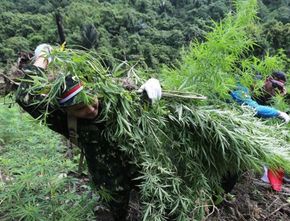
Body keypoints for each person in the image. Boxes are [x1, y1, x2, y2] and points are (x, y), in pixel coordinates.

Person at [15, 43, 162, 221]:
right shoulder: (64, 119)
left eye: (91, 101)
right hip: (109, 185)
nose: (90, 110)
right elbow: (25, 97)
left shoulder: (115, 100)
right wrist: (44, 56)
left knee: (162, 209)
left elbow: (145, 99)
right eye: (79, 109)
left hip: (146, 173)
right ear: (66, 110)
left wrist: (153, 87)